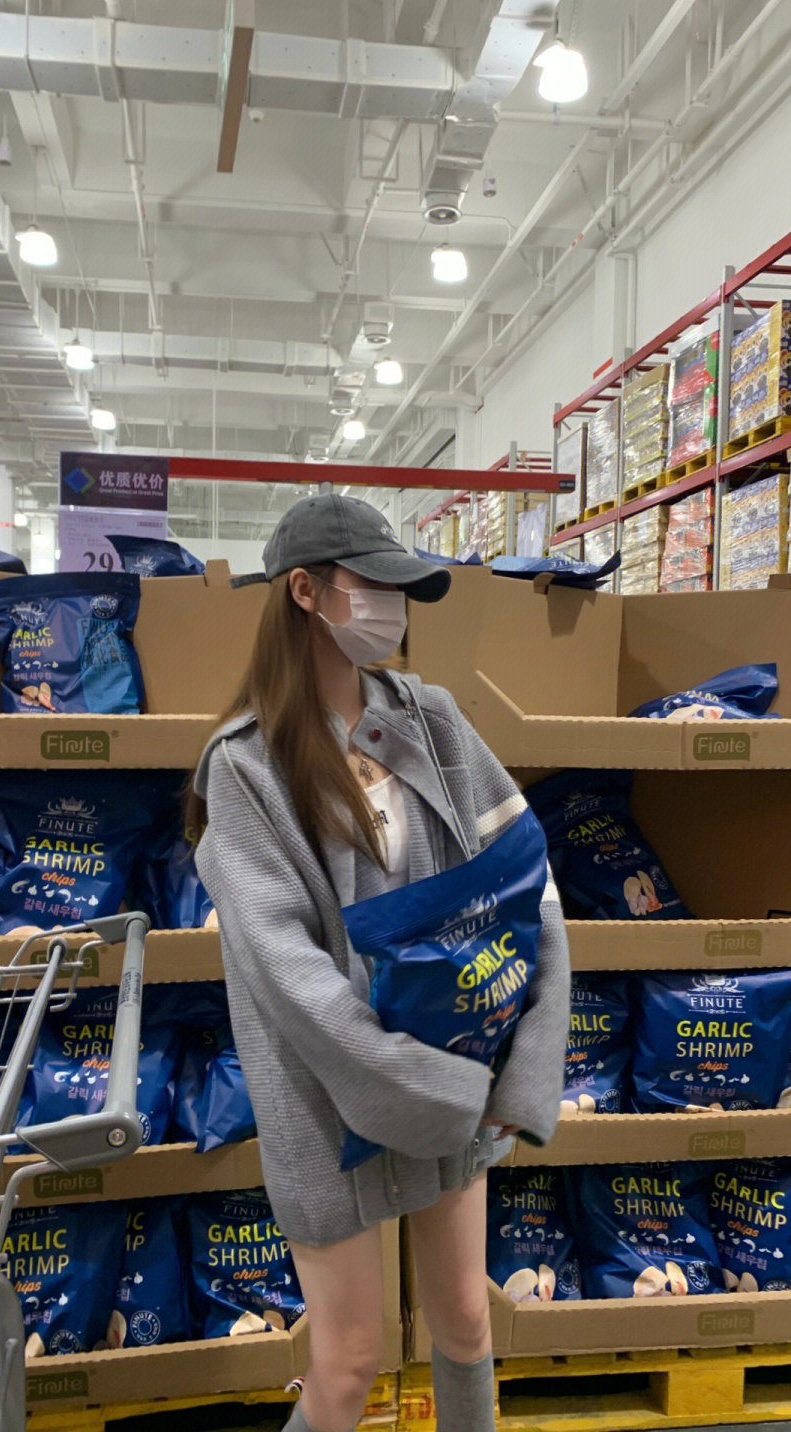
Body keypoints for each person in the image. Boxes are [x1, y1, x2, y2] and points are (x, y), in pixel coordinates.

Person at [189, 493, 570, 1432]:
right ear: (305, 591)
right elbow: (289, 977)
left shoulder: (432, 722)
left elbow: (527, 882)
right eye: (375, 584)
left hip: (459, 1069)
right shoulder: (245, 768)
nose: (395, 608)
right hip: (330, 1096)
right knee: (350, 1359)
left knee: (467, 1318)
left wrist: (520, 1069)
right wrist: (439, 1087)